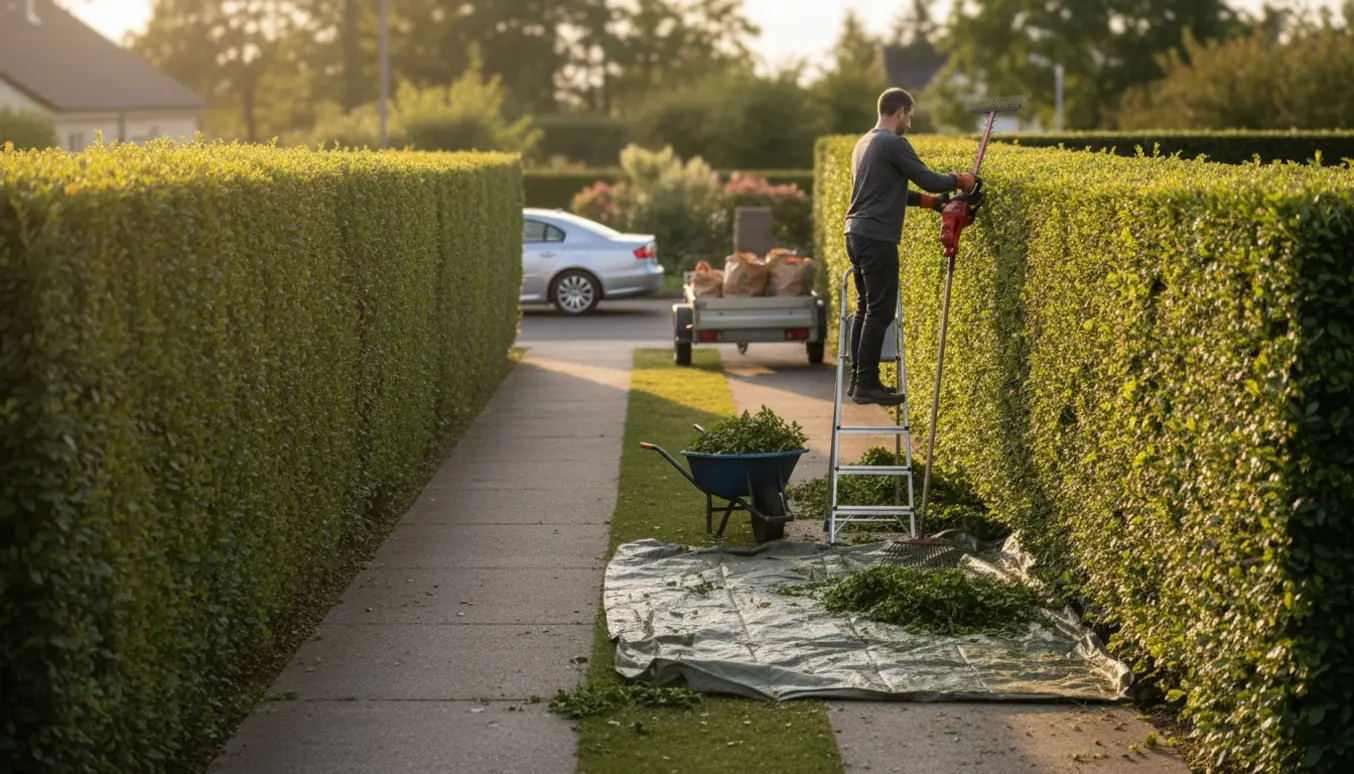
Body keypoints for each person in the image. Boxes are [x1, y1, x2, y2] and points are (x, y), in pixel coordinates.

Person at [843, 87, 977, 405]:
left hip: (855, 233)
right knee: (880, 311)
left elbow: (887, 191)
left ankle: (860, 380)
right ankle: (866, 385)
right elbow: (928, 178)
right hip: (877, 238)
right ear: (901, 112)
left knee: (865, 308)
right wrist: (961, 180)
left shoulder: (864, 143)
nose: (910, 125)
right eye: (910, 117)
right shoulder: (893, 142)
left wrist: (931, 204)